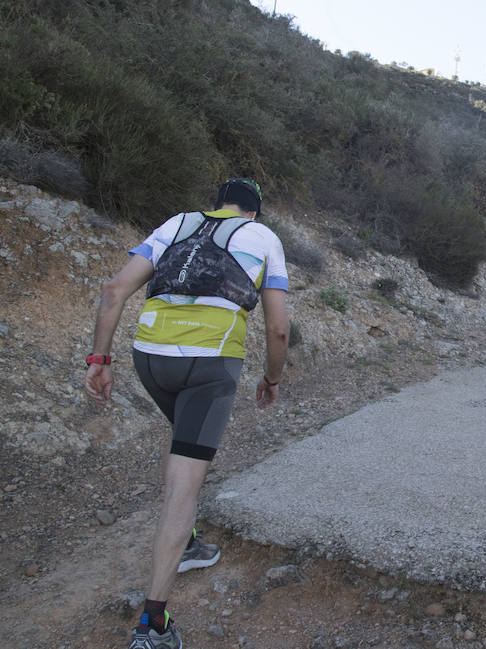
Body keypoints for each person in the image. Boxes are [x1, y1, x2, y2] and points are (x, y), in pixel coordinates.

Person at [84, 178, 290, 649]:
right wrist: (272, 380)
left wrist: (99, 360)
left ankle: (190, 542)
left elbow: (115, 289)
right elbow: (278, 330)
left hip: (149, 357)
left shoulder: (178, 222)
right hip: (209, 363)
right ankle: (153, 624)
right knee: (185, 480)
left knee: (183, 440)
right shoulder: (263, 238)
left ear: (215, 205)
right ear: (253, 214)